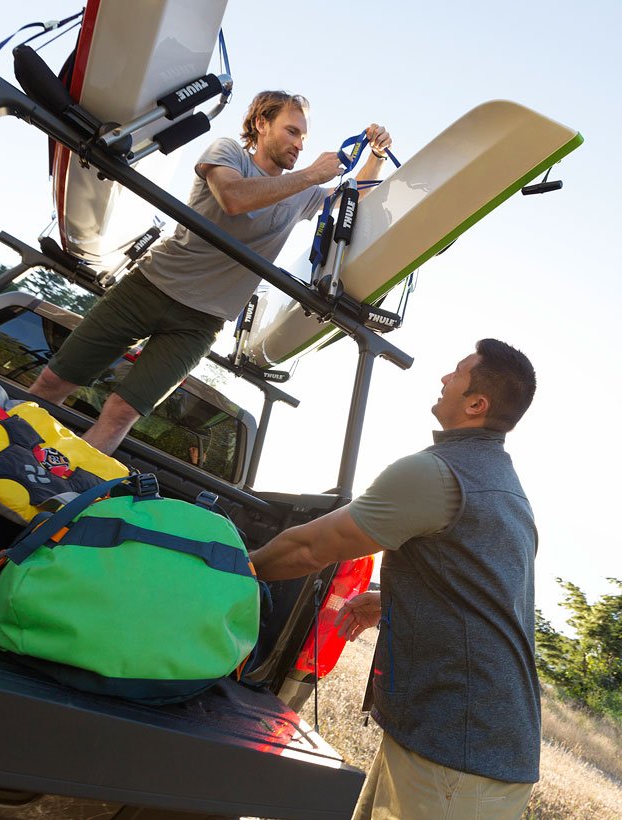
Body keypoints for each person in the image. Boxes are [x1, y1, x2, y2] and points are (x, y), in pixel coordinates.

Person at [250, 339, 539, 820]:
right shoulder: (505, 487)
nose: (444, 377)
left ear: (475, 404)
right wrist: (391, 597)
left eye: (457, 372)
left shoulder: (437, 474)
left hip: (457, 755)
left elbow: (310, 548)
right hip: (466, 743)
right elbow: (486, 592)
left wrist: (229, 566)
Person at [30, 90, 392, 454]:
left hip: (202, 322)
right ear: (262, 123)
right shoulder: (228, 152)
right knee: (54, 381)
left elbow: (354, 195)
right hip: (150, 287)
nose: (299, 145)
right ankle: (1, 457)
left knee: (122, 411)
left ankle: (60, 484)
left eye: (304, 138)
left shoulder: (302, 194)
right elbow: (233, 198)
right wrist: (313, 174)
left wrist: (375, 155)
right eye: (292, 131)